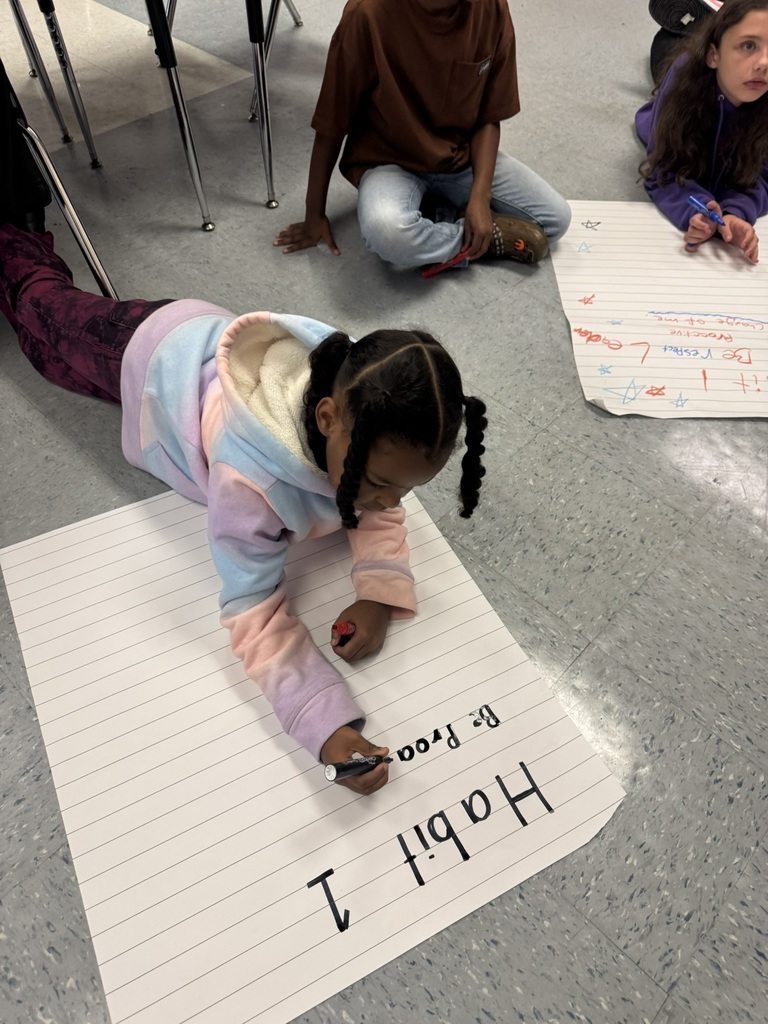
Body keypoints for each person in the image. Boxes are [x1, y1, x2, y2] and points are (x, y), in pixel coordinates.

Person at [0, 223, 488, 797]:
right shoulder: (247, 484)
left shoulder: (363, 399)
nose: (387, 505)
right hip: (143, 356)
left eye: (403, 492)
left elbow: (376, 509)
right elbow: (251, 607)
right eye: (379, 484)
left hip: (199, 339)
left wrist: (379, 591)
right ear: (327, 420)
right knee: (39, 312)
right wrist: (320, 718)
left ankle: (27, 242)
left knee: (44, 348)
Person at [274, 0, 571, 270]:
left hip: (459, 156)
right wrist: (314, 215)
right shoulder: (368, 14)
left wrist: (480, 197)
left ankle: (443, 216)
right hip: (387, 160)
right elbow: (331, 123)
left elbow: (488, 117)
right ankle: (474, 239)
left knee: (556, 219)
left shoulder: (491, 8)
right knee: (387, 233)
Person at [636, 0, 768, 263]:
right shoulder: (683, 83)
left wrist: (736, 212)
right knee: (667, 52)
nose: (764, 63)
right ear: (713, 55)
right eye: (748, 46)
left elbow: (764, 178)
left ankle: (710, 21)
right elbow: (663, 167)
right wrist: (694, 209)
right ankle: (695, 23)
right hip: (688, 73)